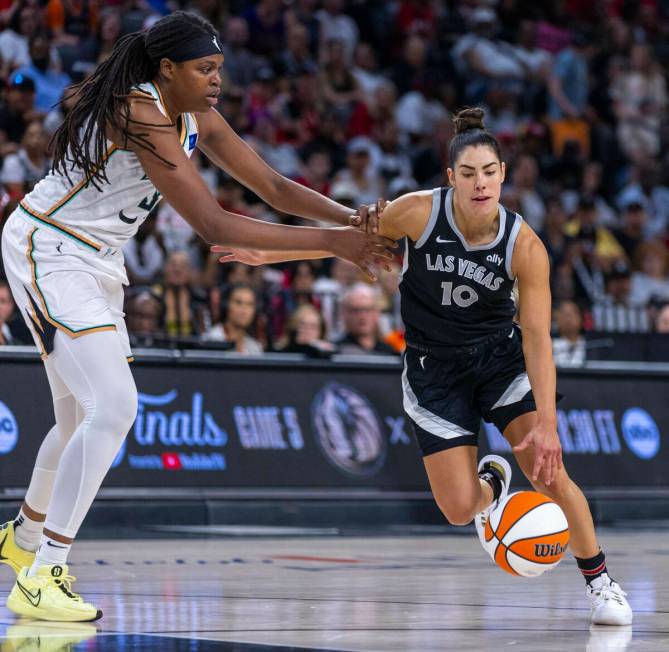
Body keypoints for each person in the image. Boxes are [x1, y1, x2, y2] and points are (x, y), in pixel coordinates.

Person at [0, 11, 392, 623]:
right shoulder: (138, 112)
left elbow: (273, 185)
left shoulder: (194, 113)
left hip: (95, 255)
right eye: (205, 69)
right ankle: (45, 571)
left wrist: (355, 221)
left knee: (78, 414)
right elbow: (213, 226)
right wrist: (333, 246)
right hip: (49, 246)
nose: (216, 81)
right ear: (167, 70)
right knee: (115, 407)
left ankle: (22, 539)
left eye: (220, 70)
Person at [214, 108, 633, 626]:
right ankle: (493, 486)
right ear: (451, 177)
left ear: (503, 173)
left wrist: (547, 424)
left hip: (499, 362)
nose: (481, 183)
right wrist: (267, 253)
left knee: (550, 474)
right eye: (469, 173)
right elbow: (347, 233)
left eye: (490, 172)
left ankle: (601, 583)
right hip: (433, 369)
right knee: (459, 509)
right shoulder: (416, 212)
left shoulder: (525, 245)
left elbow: (539, 341)